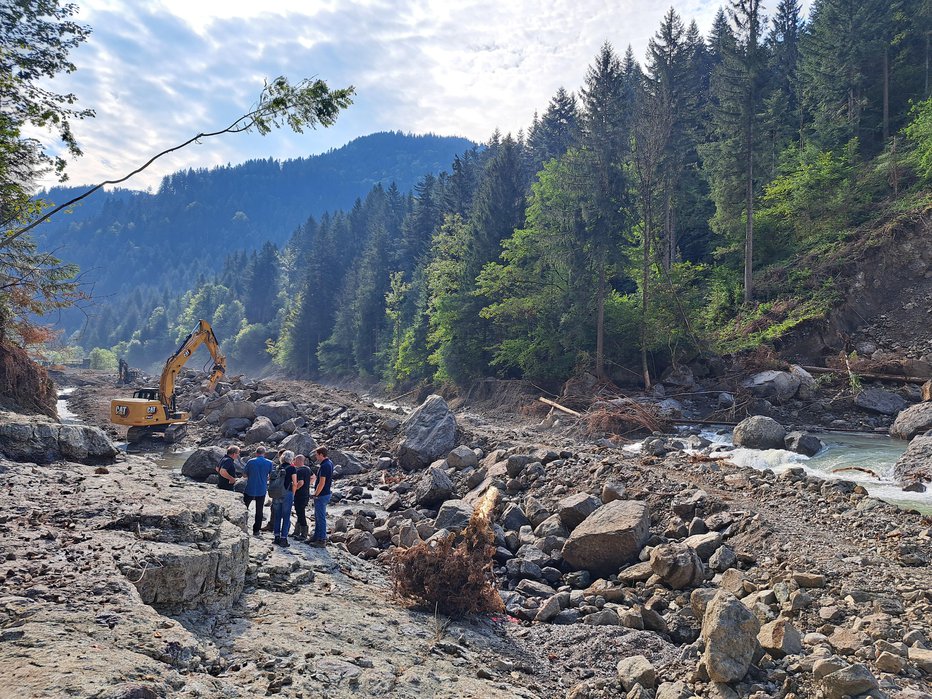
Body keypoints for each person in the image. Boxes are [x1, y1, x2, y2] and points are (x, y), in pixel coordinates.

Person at [243, 446, 274, 536]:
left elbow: (244, 475)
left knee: (245, 508)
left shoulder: (251, 461)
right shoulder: (269, 463)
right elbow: (270, 476)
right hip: (262, 489)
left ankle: (243, 526)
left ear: (256, 453)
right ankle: (256, 530)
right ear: (264, 453)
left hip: (250, 488)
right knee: (259, 510)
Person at [271, 450, 297, 547]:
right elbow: (295, 483)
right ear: (291, 458)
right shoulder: (292, 468)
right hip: (287, 493)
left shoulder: (278, 467)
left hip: (277, 493)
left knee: (277, 515)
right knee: (286, 517)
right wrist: (293, 494)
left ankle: (276, 537)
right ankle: (283, 539)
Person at [310, 446, 333, 547]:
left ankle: (322, 540)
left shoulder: (324, 466)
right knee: (317, 516)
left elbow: (322, 482)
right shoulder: (329, 463)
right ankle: (316, 536)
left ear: (321, 455)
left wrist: (316, 494)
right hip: (326, 493)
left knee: (320, 517)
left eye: (316, 454)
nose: (315, 456)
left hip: (322, 494)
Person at [292, 454, 312, 541]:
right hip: (306, 494)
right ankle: (296, 532)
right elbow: (313, 477)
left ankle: (303, 534)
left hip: (300, 495)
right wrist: (308, 484)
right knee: (299, 512)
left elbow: (301, 482)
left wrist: (294, 490)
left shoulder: (299, 471)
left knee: (300, 513)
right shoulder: (307, 469)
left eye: (295, 460)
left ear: (299, 461)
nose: (294, 461)